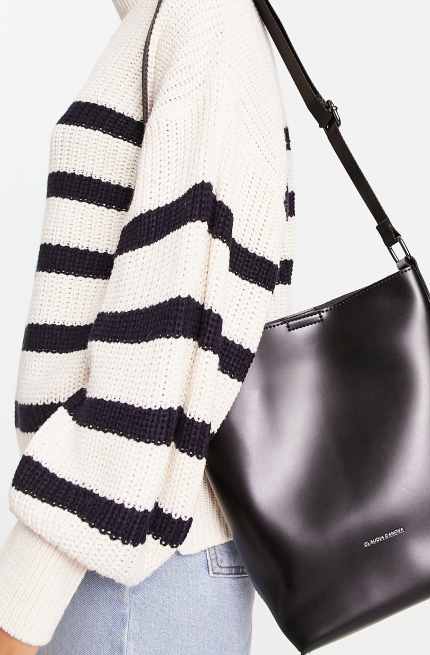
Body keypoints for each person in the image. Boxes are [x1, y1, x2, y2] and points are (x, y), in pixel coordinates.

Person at [0, 0, 295, 653]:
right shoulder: (174, 21)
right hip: (127, 564)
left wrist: (20, 604)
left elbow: (156, 368)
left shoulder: (200, 23)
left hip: (123, 571)